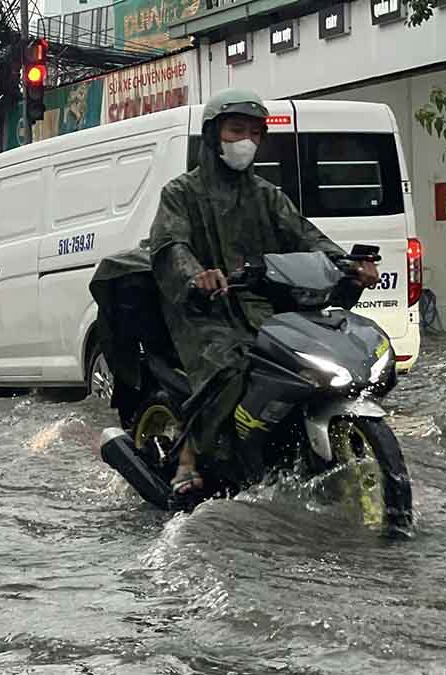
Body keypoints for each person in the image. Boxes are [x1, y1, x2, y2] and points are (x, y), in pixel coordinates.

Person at [148, 88, 380, 494]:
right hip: (203, 310)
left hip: (262, 303)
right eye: (237, 130)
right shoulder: (180, 193)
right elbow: (171, 245)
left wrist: (347, 266)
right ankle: (188, 456)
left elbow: (307, 237)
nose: (247, 142)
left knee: (307, 356)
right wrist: (197, 275)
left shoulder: (267, 195)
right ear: (212, 136)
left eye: (255, 133)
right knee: (231, 367)